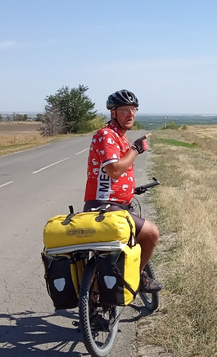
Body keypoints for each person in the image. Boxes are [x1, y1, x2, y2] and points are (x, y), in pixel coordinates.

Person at [83, 89, 161, 293]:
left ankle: (93, 303)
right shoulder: (107, 135)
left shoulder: (118, 137)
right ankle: (139, 277)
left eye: (133, 109)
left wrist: (130, 189)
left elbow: (111, 175)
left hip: (110, 204)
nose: (130, 114)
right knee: (151, 233)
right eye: (125, 109)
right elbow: (115, 170)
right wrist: (136, 149)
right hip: (106, 207)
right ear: (113, 113)